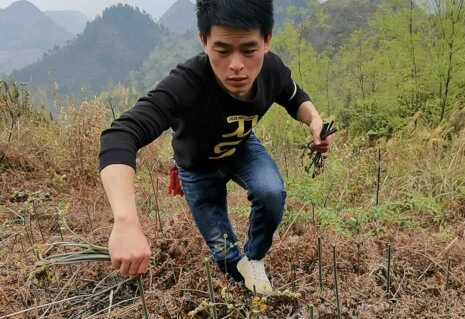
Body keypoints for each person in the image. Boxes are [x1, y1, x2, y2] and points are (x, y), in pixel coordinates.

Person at [99, 0, 333, 295]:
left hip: (241, 148)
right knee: (224, 253)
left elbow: (294, 96)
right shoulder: (185, 85)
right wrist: (125, 222)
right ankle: (241, 286)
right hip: (197, 167)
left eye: (249, 50)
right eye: (222, 50)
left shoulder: (271, 69)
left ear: (266, 42)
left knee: (271, 192)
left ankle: (255, 259)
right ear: (204, 41)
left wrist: (314, 120)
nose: (236, 65)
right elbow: (120, 135)